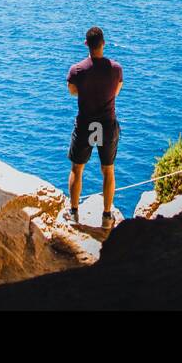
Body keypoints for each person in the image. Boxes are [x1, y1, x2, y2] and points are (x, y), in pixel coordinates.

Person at [65, 26, 123, 228]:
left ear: (86, 44)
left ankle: (73, 213)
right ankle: (107, 217)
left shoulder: (77, 70)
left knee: (77, 168)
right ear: (103, 44)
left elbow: (72, 92)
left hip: (85, 124)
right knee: (108, 170)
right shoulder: (116, 69)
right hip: (106, 125)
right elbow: (116, 92)